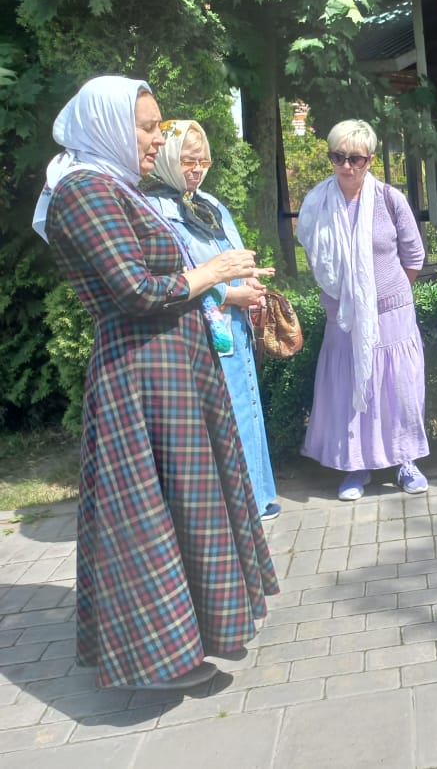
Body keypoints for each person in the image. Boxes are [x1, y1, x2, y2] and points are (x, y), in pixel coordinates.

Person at [35, 76, 278, 689]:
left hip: (170, 368)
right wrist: (213, 271)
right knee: (152, 517)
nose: (157, 139)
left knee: (189, 505)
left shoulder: (115, 186)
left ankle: (202, 630)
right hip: (141, 375)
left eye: (158, 127)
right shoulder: (83, 190)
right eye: (147, 127)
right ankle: (159, 658)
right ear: (109, 127)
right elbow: (135, 290)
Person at [143, 120, 281, 521]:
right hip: (196, 330)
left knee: (246, 406)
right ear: (168, 158)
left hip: (232, 326)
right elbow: (173, 277)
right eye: (188, 160)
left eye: (203, 161)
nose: (197, 170)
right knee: (219, 417)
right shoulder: (155, 211)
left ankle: (257, 495)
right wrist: (229, 294)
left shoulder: (208, 204)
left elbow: (232, 255)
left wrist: (250, 280)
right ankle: (231, 507)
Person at [297, 120, 430, 501]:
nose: (346, 165)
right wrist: (353, 298)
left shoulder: (390, 199)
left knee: (398, 391)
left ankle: (405, 461)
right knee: (349, 389)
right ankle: (356, 465)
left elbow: (414, 256)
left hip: (391, 315)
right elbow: (314, 255)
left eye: (355, 158)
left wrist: (381, 295)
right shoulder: (317, 203)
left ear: (370, 160)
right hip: (343, 315)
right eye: (338, 156)